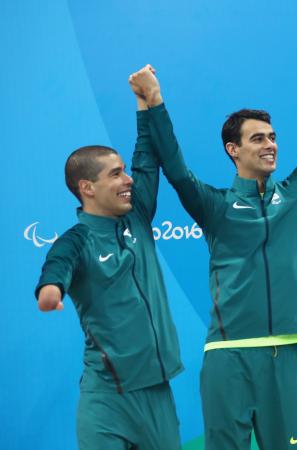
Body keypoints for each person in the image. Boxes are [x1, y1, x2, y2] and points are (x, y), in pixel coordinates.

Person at [126, 13, 297, 450]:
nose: (271, 144)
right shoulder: (216, 206)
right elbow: (175, 168)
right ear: (233, 149)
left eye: (273, 136)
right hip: (227, 357)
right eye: (258, 138)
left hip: (285, 355)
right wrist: (154, 104)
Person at [34, 67, 183, 450]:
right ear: (87, 188)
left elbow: (146, 158)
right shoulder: (75, 242)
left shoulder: (138, 214)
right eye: (115, 175)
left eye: (124, 173)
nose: (128, 180)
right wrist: (51, 289)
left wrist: (142, 103)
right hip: (107, 399)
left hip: (157, 395)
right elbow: (57, 268)